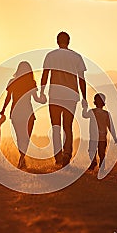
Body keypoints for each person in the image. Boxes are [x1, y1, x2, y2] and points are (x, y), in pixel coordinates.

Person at [40, 31, 87, 167]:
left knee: (56, 127)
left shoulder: (50, 56)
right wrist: (84, 98)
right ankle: (67, 154)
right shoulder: (77, 57)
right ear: (69, 41)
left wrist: (42, 92)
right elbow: (82, 79)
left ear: (57, 41)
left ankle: (58, 157)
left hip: (54, 95)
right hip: (71, 96)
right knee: (68, 127)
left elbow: (45, 75)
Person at [0, 61, 46, 168]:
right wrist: (43, 99)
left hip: (15, 113)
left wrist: (3, 110)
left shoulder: (12, 81)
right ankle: (22, 158)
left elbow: (8, 98)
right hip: (28, 112)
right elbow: (36, 99)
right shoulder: (31, 82)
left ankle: (22, 158)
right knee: (26, 137)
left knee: (20, 137)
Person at [82, 93, 117, 170]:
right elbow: (110, 126)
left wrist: (84, 107)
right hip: (102, 138)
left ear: (94, 102)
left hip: (93, 137)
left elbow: (84, 115)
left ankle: (93, 162)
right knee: (102, 153)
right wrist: (114, 136)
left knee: (92, 151)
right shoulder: (106, 114)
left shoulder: (92, 112)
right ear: (104, 103)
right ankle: (102, 166)